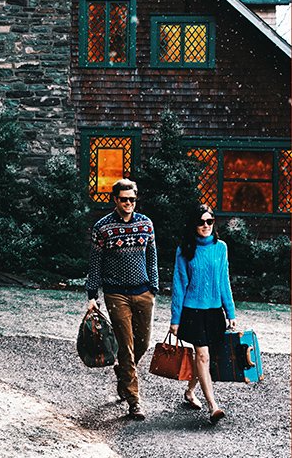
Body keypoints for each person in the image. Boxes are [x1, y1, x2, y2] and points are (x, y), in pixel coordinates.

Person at [86, 179, 158, 420]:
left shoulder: (146, 224)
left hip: (143, 292)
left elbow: (152, 257)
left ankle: (123, 373)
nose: (128, 203)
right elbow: (95, 264)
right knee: (126, 346)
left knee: (143, 343)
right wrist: (92, 295)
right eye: (124, 199)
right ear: (115, 200)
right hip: (116, 294)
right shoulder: (102, 227)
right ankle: (134, 401)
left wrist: (153, 287)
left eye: (132, 199)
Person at [169, 204, 236, 424]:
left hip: (214, 311)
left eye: (210, 221)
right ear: (193, 225)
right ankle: (213, 406)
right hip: (193, 311)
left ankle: (190, 391)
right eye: (201, 222)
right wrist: (175, 319)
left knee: (205, 357)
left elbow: (223, 281)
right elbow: (179, 285)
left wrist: (230, 312)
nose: (206, 225)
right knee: (203, 355)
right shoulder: (184, 250)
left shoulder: (221, 248)